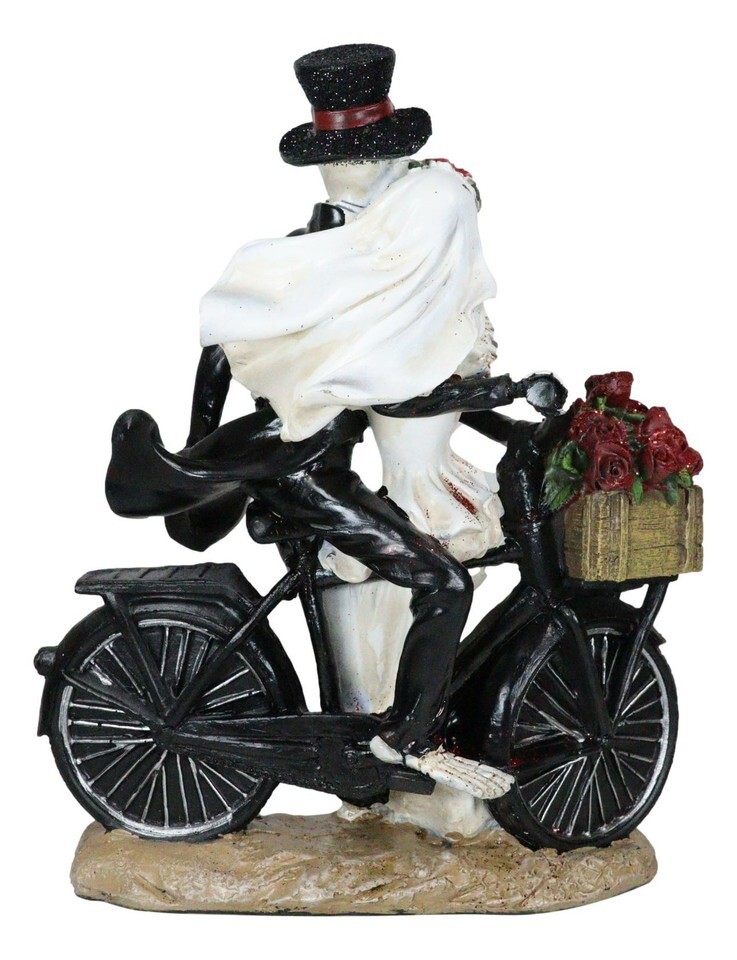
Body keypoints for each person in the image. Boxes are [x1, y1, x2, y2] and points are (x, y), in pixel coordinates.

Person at [107, 43, 563, 801]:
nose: (348, 176)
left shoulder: (381, 273)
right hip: (304, 473)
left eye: (356, 159)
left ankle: (400, 730)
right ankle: (404, 740)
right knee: (444, 583)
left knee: (424, 575)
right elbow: (391, 394)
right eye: (338, 161)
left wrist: (508, 421)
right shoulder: (331, 265)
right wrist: (508, 392)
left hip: (319, 465)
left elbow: (419, 384)